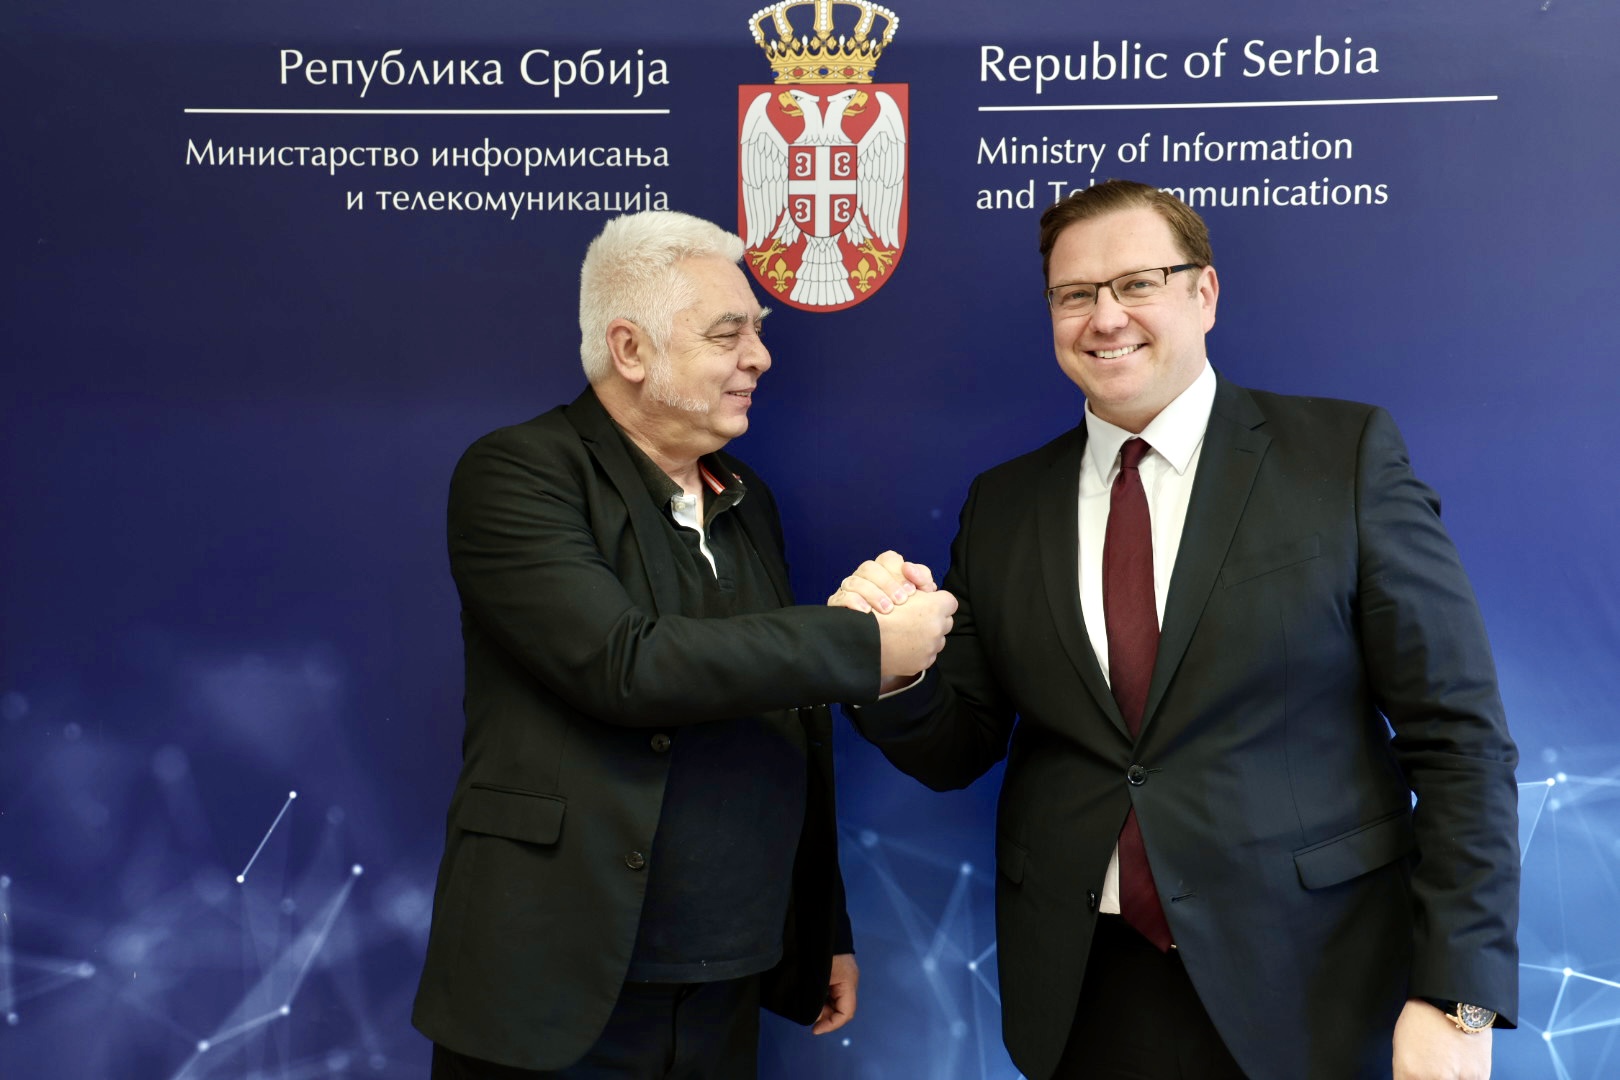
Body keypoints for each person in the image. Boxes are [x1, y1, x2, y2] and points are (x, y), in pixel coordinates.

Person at [834, 180, 1518, 1080]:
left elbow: (1459, 739)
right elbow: (958, 746)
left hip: (1315, 983)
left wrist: (1458, 996)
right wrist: (892, 669)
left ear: (1204, 293)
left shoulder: (1341, 459)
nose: (1105, 317)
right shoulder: (1004, 505)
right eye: (1075, 294)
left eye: (1137, 283)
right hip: (1085, 990)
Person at [411, 209, 957, 1079]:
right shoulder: (518, 473)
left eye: (758, 331)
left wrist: (821, 929)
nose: (760, 357)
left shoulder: (747, 496)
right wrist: (863, 642)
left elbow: (786, 725)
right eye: (727, 333)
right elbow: (627, 665)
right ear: (630, 350)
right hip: (555, 985)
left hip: (727, 981)